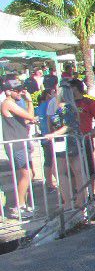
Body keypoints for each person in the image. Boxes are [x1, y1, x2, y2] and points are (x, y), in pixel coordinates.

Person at [45, 81, 88, 211]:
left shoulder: (66, 107)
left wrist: (53, 134)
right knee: (71, 171)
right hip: (67, 141)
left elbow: (68, 126)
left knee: (67, 171)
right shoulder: (68, 107)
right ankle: (75, 200)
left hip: (67, 141)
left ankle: (73, 201)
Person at [1, 79, 36, 219]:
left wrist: (29, 102)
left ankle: (24, 203)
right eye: (17, 90)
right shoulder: (7, 103)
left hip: (22, 142)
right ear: (8, 91)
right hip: (16, 144)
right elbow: (30, 117)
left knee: (30, 174)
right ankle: (19, 206)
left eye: (21, 89)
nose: (20, 92)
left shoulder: (14, 103)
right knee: (25, 174)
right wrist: (30, 101)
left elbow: (28, 119)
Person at [69, 79, 95, 180]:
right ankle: (77, 193)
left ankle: (91, 194)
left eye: (71, 87)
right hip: (71, 140)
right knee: (72, 170)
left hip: (85, 139)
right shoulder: (67, 104)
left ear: (75, 88)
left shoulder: (89, 102)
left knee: (89, 168)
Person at [35, 87, 58, 192]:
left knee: (48, 161)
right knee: (53, 162)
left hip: (45, 137)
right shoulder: (49, 104)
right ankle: (54, 183)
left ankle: (49, 183)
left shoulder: (39, 107)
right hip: (50, 137)